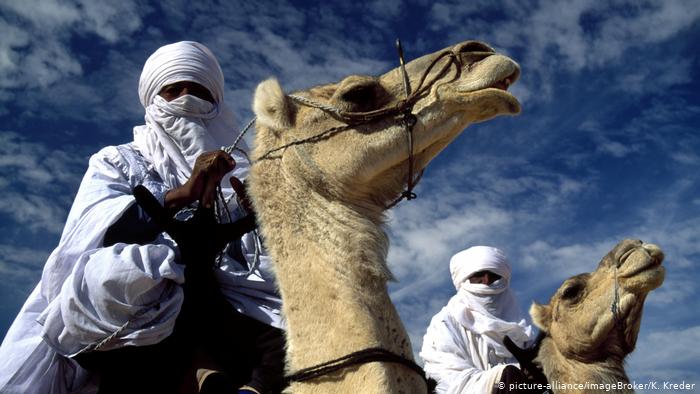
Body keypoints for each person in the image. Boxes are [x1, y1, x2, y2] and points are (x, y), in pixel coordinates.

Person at [0, 41, 285, 394]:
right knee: (119, 275)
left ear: (215, 101)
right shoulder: (119, 160)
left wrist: (263, 215)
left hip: (232, 295)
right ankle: (199, 371)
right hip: (158, 294)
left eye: (198, 90)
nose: (186, 99)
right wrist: (179, 195)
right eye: (174, 90)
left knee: (305, 314)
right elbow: (92, 230)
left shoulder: (243, 170)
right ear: (154, 98)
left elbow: (269, 252)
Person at [420, 246, 538, 393]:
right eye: (478, 275)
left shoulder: (521, 329)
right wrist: (498, 379)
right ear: (464, 279)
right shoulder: (445, 324)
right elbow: (445, 378)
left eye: (494, 276)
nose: (487, 281)